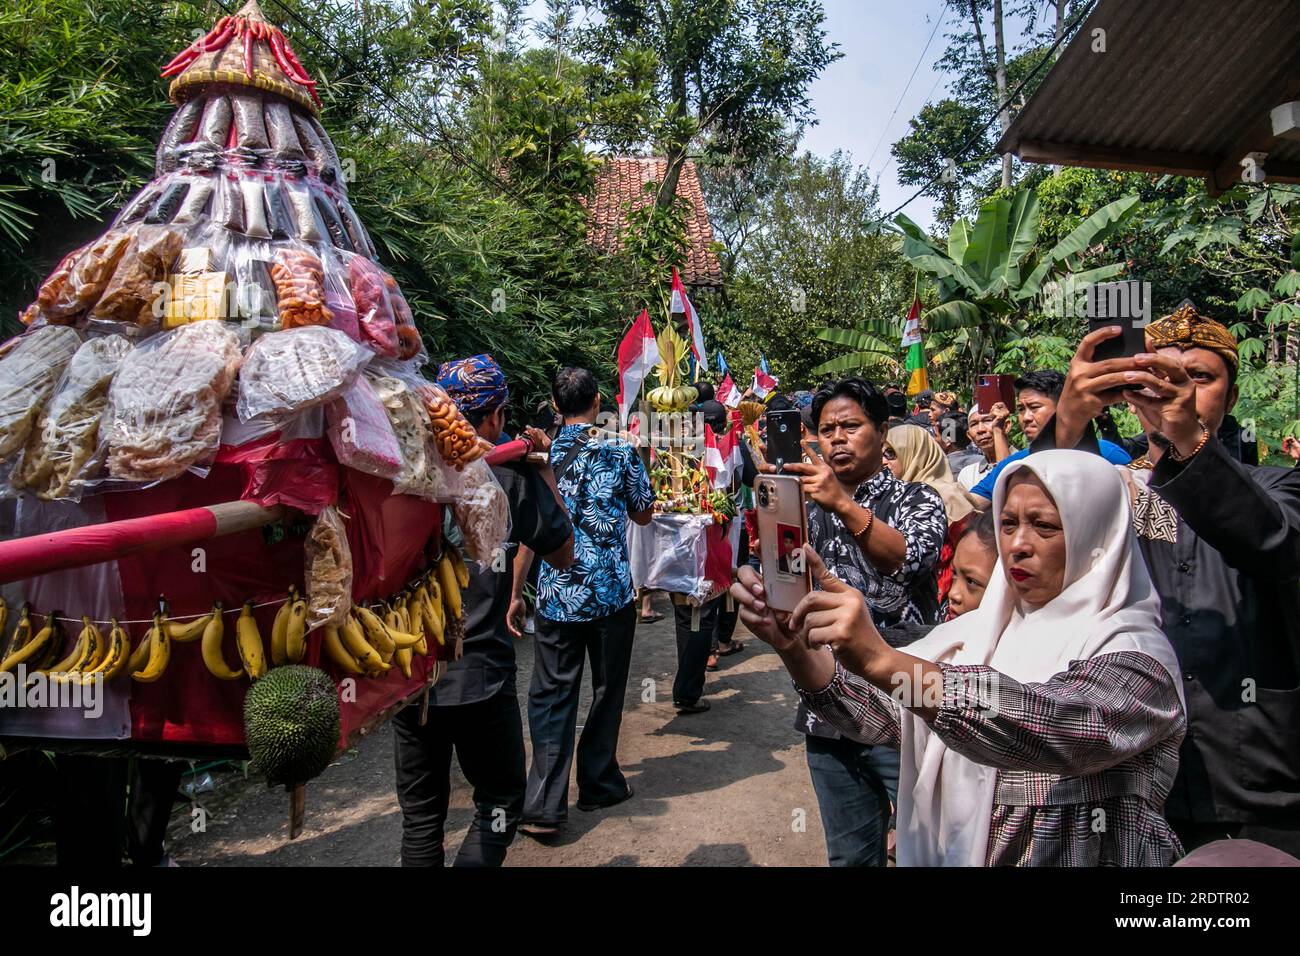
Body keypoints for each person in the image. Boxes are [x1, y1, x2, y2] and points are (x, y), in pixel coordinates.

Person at [733, 450, 1187, 866]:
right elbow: (885, 715)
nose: (1019, 544)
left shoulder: (1136, 653)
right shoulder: (972, 635)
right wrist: (792, 644)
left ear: (1099, 537)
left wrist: (884, 661)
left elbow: (1057, 725)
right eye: (1008, 524)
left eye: (1044, 526)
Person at [1033, 305, 1300, 855]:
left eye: (1200, 377)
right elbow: (1041, 534)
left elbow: (1271, 541)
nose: (1177, 388)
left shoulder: (1277, 484)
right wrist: (1069, 423)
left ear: (1231, 397)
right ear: (1131, 393)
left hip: (1259, 780)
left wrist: (1188, 440)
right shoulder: (1109, 490)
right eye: (1159, 376)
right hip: (1128, 780)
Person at [392, 354, 573, 867]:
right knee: (498, 800)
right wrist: (546, 477)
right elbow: (563, 552)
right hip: (480, 675)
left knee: (422, 819)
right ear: (494, 415)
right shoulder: (511, 478)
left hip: (408, 668)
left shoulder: (403, 469)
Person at [779, 377, 948, 867]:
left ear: (882, 430)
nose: (836, 438)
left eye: (850, 426)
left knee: (933, 848)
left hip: (906, 708)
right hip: (829, 711)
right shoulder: (804, 504)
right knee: (850, 857)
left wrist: (844, 505)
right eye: (827, 428)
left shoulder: (918, 499)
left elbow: (911, 561)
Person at [515, 366, 655, 837]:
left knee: (552, 694)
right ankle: (598, 783)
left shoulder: (538, 454)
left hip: (556, 594)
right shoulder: (619, 447)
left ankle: (542, 804)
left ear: (556, 406)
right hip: (610, 593)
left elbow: (530, 531)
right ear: (597, 402)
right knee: (607, 689)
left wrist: (516, 592)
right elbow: (643, 513)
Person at [969, 369, 1131, 501]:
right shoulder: (1015, 464)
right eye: (1021, 409)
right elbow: (972, 505)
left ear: (1062, 408)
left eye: (1034, 407)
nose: (1025, 417)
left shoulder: (1108, 455)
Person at [884, 425, 982, 611]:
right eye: (881, 453)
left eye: (891, 453)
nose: (883, 461)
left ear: (915, 454)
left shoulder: (945, 496)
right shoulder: (892, 497)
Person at [932, 410, 982, 480]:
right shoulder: (983, 462)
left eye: (936, 435)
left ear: (947, 441)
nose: (933, 439)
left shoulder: (939, 469)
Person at [957, 406, 998, 490]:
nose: (980, 429)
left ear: (1006, 426)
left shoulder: (1022, 462)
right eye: (974, 424)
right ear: (969, 435)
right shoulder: (967, 474)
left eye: (987, 420)